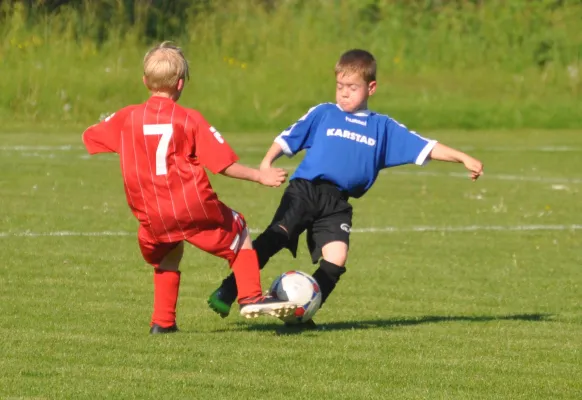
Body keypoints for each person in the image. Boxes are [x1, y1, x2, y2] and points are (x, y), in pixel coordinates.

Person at [207, 49, 484, 327]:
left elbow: (426, 146)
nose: (344, 93)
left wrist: (463, 157)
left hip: (337, 203)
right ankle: (229, 289)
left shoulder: (382, 128)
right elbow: (288, 137)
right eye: (340, 86)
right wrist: (267, 162)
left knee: (337, 257)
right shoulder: (324, 113)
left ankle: (302, 312)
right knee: (275, 237)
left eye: (352, 88)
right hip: (305, 190)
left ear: (371, 88)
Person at [82, 41, 297, 334]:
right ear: (181, 84)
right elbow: (222, 164)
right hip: (190, 203)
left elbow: (91, 138)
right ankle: (249, 296)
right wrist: (259, 176)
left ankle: (163, 323)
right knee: (240, 231)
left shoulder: (127, 117)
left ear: (145, 81)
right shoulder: (189, 119)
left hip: (151, 214)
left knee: (170, 252)